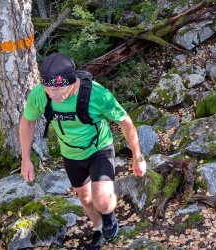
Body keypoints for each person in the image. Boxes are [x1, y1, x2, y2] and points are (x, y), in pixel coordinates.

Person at [19, 52, 146, 250]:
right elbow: (27, 122)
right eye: (47, 87)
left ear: (73, 81)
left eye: (58, 88)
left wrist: (137, 157)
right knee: (86, 198)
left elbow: (126, 122)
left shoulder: (98, 95)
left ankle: (108, 214)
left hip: (99, 148)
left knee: (102, 202)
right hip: (70, 154)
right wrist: (25, 159)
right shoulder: (40, 95)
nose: (52, 94)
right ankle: (98, 229)